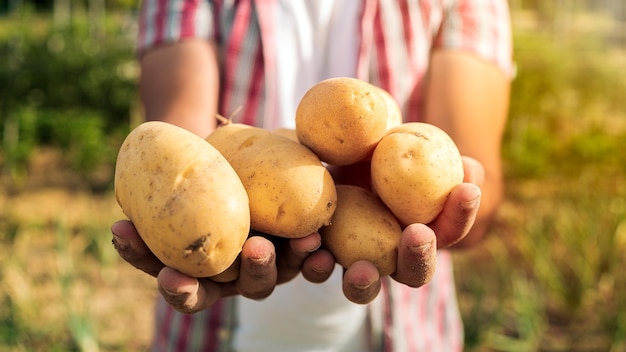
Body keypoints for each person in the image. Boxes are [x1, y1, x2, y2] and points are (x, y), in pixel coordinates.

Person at [111, 0, 513, 351]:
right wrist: (196, 232)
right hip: (211, 332)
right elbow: (180, 145)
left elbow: (478, 179)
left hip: (408, 333)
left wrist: (450, 207)